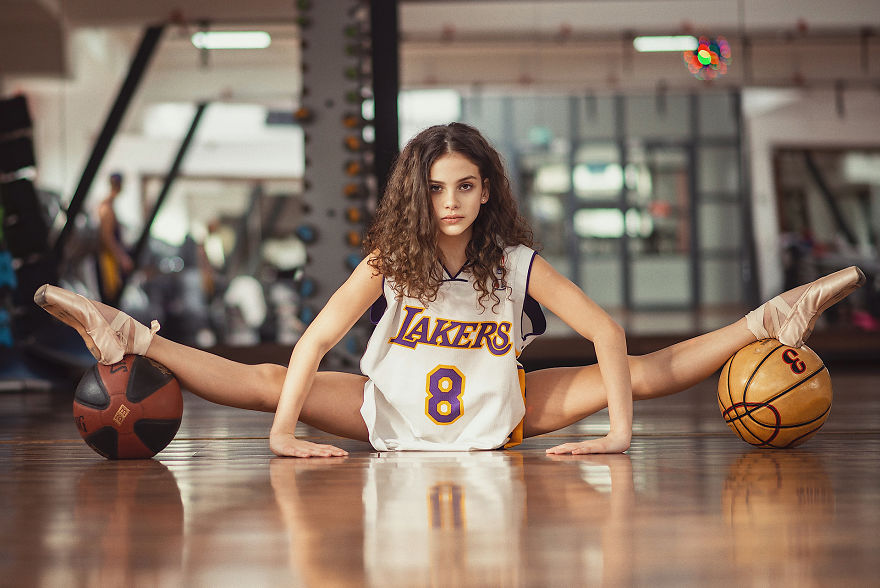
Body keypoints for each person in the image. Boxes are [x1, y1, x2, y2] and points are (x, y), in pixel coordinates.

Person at [33, 123, 865, 458]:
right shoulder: (391, 259)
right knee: (260, 385)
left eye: (465, 186)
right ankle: (127, 336)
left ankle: (769, 317)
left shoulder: (517, 262)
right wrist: (284, 436)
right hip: (382, 412)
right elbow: (314, 341)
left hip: (505, 416)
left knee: (642, 370)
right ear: (415, 194)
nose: (452, 202)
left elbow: (610, 336)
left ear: (486, 190)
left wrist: (617, 435)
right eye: (436, 188)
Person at [97, 172, 134, 301]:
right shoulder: (107, 207)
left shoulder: (109, 205)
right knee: (111, 297)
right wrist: (122, 257)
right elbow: (106, 236)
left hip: (110, 258)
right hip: (108, 259)